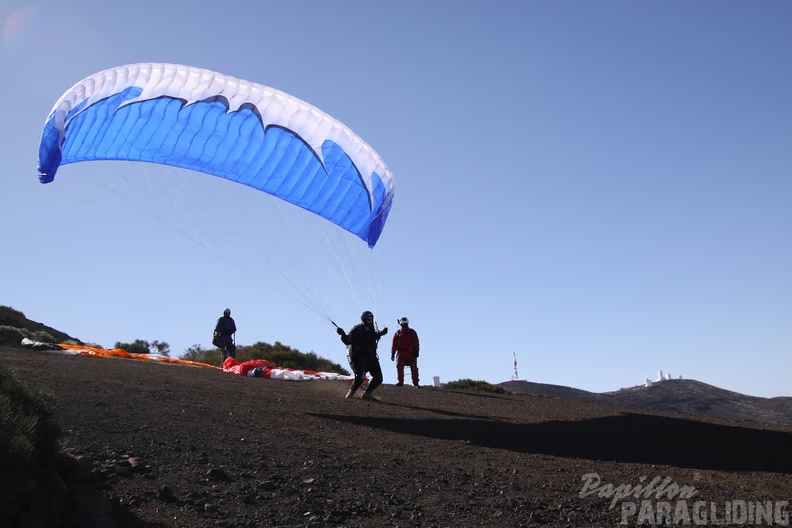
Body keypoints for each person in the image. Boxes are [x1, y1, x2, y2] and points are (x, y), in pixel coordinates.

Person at [337, 311, 388, 400]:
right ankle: (350, 394)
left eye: (371, 319)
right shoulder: (357, 329)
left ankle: (367, 394)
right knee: (361, 377)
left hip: (371, 357)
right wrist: (342, 334)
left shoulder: (372, 329)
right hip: (358, 357)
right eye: (368, 319)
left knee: (378, 378)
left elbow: (374, 336)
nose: (370, 321)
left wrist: (381, 333)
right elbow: (347, 341)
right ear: (364, 320)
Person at [391, 316, 420, 387]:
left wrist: (416, 351)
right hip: (402, 354)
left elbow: (416, 342)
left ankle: (415, 383)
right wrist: (392, 353)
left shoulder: (412, 332)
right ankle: (401, 381)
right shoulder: (398, 333)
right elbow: (394, 344)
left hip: (410, 353)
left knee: (414, 368)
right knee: (400, 367)